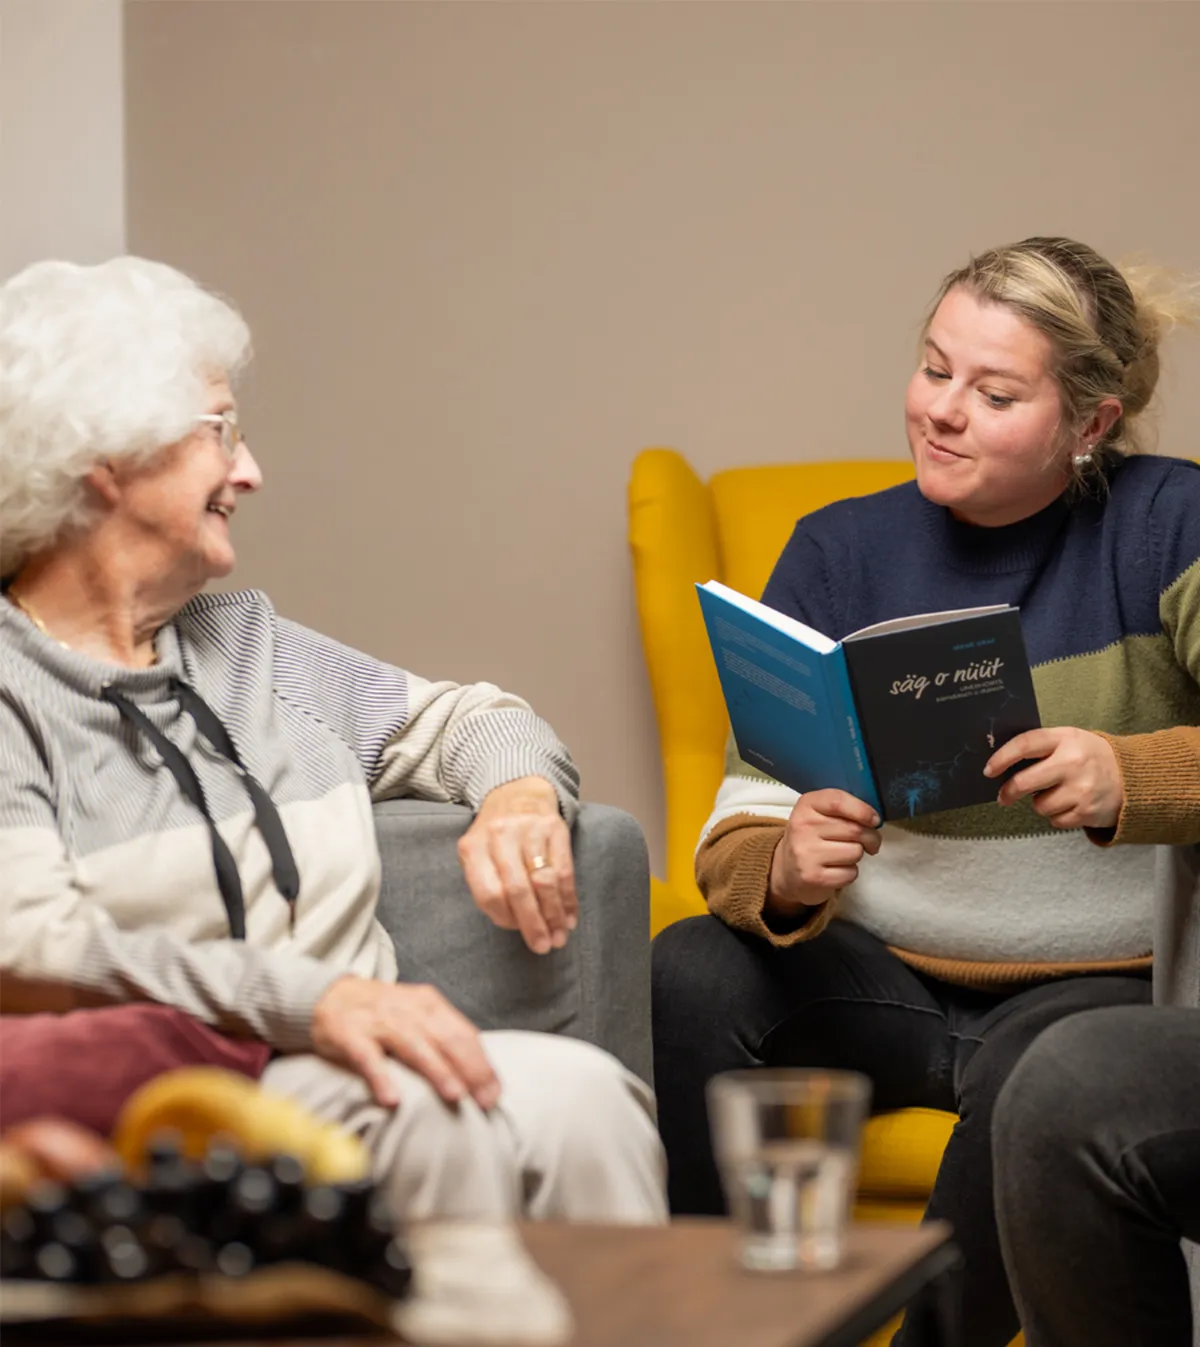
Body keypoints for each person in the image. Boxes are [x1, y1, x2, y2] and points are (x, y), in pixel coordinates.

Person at [0, 255, 666, 1232]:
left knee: (585, 1102)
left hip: (348, 1065)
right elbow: (32, 948)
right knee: (451, 1125)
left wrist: (516, 796)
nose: (249, 470)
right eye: (218, 431)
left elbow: (478, 719)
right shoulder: (15, 693)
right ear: (110, 460)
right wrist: (317, 1000)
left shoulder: (252, 649)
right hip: (169, 1099)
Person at [651, 236, 1200, 1347]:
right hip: (889, 978)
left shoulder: (1169, 523)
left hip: (1098, 984)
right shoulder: (837, 553)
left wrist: (1128, 774)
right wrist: (783, 863)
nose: (941, 410)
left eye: (995, 393)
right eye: (933, 368)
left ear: (1090, 425)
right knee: (690, 970)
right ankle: (725, 1327)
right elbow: (738, 820)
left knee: (1048, 1070)